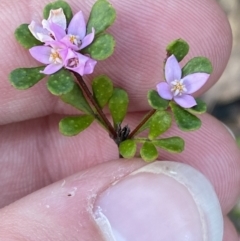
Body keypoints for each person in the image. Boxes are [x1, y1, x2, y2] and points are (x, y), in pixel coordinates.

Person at [0, 0, 239, 240]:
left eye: (68, 52)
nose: (67, 52)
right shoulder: (57, 62)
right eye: (62, 53)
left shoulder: (171, 90)